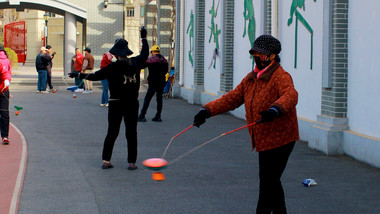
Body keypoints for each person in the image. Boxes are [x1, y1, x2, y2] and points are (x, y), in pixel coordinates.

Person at [193, 35, 299, 214]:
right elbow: (232, 99)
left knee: (268, 183)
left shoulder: (281, 76)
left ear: (272, 57)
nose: (257, 58)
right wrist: (207, 111)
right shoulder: (251, 79)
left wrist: (275, 110)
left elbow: (290, 95)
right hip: (263, 139)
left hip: (282, 138)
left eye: (262, 55)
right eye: (255, 54)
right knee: (271, 182)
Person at [69, 27, 149, 170]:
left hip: (115, 102)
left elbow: (95, 76)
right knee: (131, 132)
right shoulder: (135, 63)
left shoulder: (112, 67)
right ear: (127, 52)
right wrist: (143, 37)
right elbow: (144, 54)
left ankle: (106, 160)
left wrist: (78, 75)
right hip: (132, 102)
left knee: (112, 131)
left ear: (116, 54)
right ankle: (131, 162)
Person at [137, 45, 168, 122]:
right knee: (159, 99)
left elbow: (142, 66)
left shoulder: (151, 60)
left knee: (147, 99)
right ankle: (158, 116)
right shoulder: (164, 60)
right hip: (161, 82)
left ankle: (142, 116)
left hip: (153, 82)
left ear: (153, 52)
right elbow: (165, 71)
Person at [0, 47, 11, 144]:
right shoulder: (6, 59)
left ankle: (5, 136)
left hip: (3, 90)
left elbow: (5, 73)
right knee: (4, 114)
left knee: (4, 113)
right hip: (4, 89)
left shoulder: (1, 63)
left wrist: (7, 80)